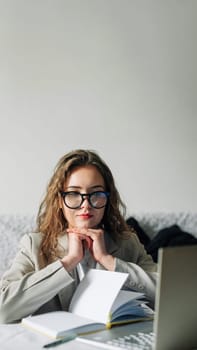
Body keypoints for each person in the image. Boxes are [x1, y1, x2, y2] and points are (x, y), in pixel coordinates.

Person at [0, 149, 157, 324]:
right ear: (60, 200)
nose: (86, 205)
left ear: (107, 200)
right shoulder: (34, 245)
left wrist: (109, 261)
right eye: (74, 194)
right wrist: (68, 262)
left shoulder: (127, 243)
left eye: (96, 194)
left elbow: (170, 295)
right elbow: (3, 310)